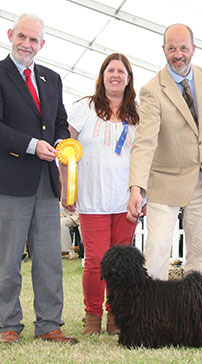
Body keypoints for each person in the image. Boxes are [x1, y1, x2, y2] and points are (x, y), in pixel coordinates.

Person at [127, 24, 202, 281]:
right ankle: (154, 317)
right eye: (172, 48)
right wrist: (136, 187)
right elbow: (145, 142)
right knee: (156, 250)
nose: (178, 54)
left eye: (184, 48)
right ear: (163, 50)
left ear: (193, 49)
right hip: (165, 181)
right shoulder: (152, 90)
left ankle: (195, 315)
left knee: (201, 252)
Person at [0, 14, 77, 344]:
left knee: (49, 260)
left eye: (33, 40)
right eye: (22, 37)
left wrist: (62, 144)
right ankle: (7, 324)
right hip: (11, 181)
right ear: (10, 35)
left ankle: (49, 324)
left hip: (47, 184)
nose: (26, 44)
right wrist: (32, 146)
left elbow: (60, 121)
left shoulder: (52, 78)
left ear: (42, 44)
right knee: (8, 258)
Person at [60, 53, 139, 335]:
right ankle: (92, 316)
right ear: (102, 75)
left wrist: (140, 193)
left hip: (126, 202)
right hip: (92, 200)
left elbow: (144, 157)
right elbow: (65, 147)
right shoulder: (84, 107)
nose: (115, 75)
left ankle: (116, 315)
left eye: (121, 71)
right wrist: (65, 182)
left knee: (122, 264)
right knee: (95, 262)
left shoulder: (137, 113)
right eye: (110, 70)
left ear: (129, 78)